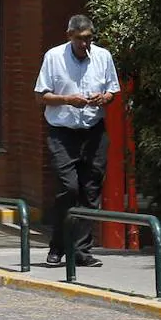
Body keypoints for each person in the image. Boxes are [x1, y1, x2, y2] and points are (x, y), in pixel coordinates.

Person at [34, 14, 120, 267]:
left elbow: (113, 91)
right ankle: (58, 246)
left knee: (90, 192)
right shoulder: (53, 57)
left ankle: (82, 251)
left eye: (89, 39)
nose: (85, 44)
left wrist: (104, 98)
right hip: (62, 132)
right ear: (69, 36)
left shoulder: (103, 56)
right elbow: (41, 96)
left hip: (93, 131)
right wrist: (67, 100)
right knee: (69, 188)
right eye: (80, 39)